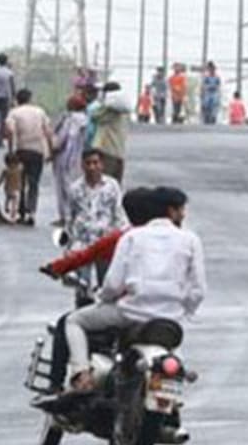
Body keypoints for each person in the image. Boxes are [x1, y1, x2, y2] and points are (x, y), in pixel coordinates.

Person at [64, 186, 205, 392]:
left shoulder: (132, 238)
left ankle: (81, 374)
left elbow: (113, 283)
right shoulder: (191, 240)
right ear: (170, 211)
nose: (183, 214)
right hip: (169, 322)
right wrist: (185, 311)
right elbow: (198, 290)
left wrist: (103, 297)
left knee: (74, 320)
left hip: (130, 314)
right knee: (177, 367)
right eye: (181, 209)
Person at [64, 149, 126, 283]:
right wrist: (69, 246)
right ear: (82, 165)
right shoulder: (75, 188)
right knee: (82, 286)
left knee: (106, 283)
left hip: (104, 241)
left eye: (95, 163)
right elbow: (70, 217)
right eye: (88, 163)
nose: (92, 167)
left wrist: (117, 239)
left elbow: (118, 214)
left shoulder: (112, 186)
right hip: (82, 243)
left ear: (102, 165)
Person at [5, 88, 51, 226]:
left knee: (21, 183)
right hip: (37, 151)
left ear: (17, 100)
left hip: (21, 151)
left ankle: (21, 212)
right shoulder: (40, 111)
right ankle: (32, 212)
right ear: (30, 99)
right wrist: (51, 151)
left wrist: (10, 150)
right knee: (34, 183)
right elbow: (47, 131)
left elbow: (10, 131)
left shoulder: (14, 113)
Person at [50, 95, 89, 226]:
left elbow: (62, 139)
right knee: (77, 185)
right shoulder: (85, 120)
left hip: (65, 157)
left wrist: (52, 150)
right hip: (80, 157)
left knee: (63, 188)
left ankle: (66, 217)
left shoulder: (69, 119)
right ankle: (76, 215)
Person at [90, 83, 131, 183]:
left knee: (104, 183)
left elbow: (94, 116)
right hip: (119, 152)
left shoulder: (110, 110)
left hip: (107, 151)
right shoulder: (124, 111)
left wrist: (101, 103)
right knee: (115, 185)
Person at [0, 151, 24, 223]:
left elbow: (1, 178)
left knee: (9, 199)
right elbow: (22, 178)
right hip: (16, 189)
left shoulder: (6, 170)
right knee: (14, 203)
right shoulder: (19, 169)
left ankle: (7, 208)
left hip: (8, 189)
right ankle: (13, 216)